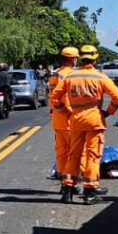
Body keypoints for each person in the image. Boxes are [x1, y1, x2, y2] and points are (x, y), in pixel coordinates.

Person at [52, 44, 118, 204]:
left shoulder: (70, 77)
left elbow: (54, 98)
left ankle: (68, 190)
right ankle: (90, 191)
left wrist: (64, 111)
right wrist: (108, 112)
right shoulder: (100, 77)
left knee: (73, 155)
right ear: (95, 59)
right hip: (94, 121)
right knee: (92, 155)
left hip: (76, 121)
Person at [48, 47, 80, 197]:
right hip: (70, 119)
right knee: (73, 154)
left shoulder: (55, 74)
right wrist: (69, 111)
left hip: (57, 120)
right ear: (74, 59)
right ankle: (70, 183)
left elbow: (53, 96)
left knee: (62, 153)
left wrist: (58, 109)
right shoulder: (73, 75)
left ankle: (64, 183)